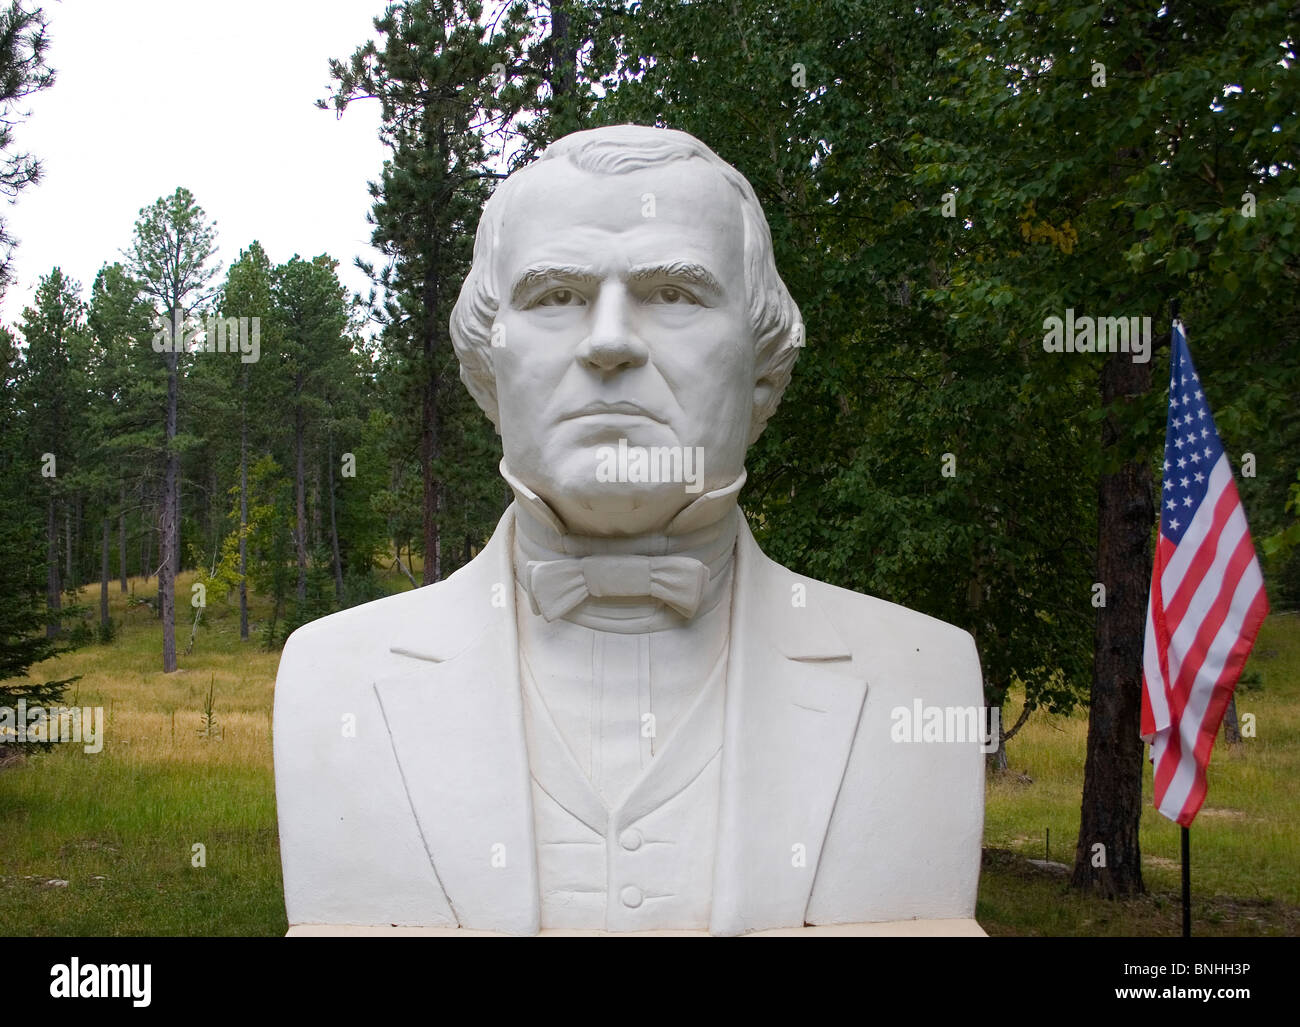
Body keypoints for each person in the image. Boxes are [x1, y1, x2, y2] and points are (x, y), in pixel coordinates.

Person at [274, 124, 984, 935]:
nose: (609, 339)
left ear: (762, 368)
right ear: (486, 367)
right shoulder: (333, 680)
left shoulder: (922, 680)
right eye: (556, 296)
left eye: (673, 293)